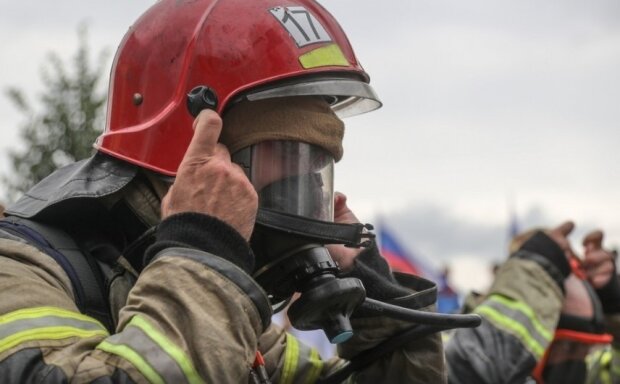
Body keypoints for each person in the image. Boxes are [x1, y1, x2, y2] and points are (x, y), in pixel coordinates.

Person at [0, 0, 446, 382]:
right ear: (195, 152)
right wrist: (203, 250)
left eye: (319, 164)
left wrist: (378, 309)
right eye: (289, 153)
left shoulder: (232, 316)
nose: (308, 186)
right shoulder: (19, 270)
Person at [445, 222, 620, 383]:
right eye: (562, 345)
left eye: (572, 347)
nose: (567, 356)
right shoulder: (441, 340)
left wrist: (613, 307)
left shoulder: (580, 366)